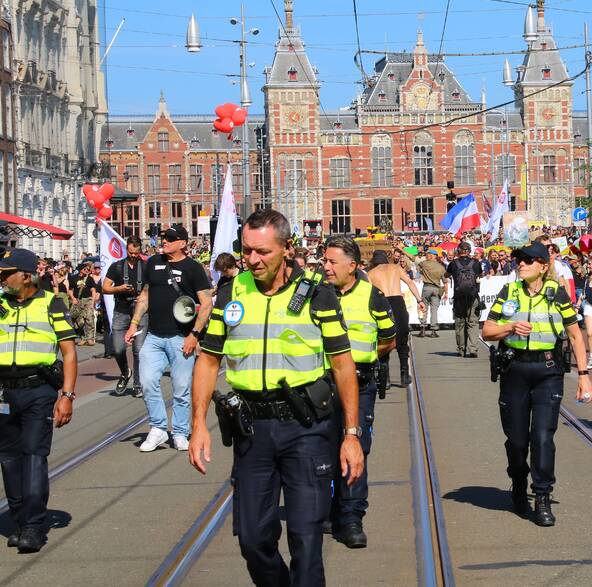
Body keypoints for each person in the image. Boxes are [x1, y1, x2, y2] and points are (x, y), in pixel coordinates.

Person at [188, 210, 364, 586]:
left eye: (262, 252)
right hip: (252, 430)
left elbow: (343, 365)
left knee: (306, 536)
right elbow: (207, 361)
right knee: (253, 538)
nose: (253, 261)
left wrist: (351, 435)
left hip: (307, 428)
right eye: (246, 251)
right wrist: (198, 424)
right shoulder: (231, 292)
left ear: (286, 249)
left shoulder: (318, 293)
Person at [0, 248, 78, 553]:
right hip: (3, 392)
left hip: (39, 391)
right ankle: (21, 520)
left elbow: (69, 351)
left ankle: (34, 527)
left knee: (33, 454)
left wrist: (67, 395)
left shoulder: (51, 303)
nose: (1, 277)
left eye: (7, 273)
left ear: (26, 275)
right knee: (8, 457)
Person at [481, 241, 590, 526]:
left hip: (548, 370)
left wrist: (584, 377)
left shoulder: (557, 294)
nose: (522, 264)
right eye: (519, 260)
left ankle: (541, 496)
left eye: (529, 260)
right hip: (515, 369)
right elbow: (487, 330)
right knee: (517, 441)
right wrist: (509, 327)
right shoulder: (509, 292)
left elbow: (576, 335)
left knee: (542, 437)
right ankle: (518, 481)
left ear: (543, 266)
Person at [322, 238, 397, 548]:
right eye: (323, 261)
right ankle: (327, 509)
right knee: (322, 448)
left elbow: (389, 339)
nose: (325, 267)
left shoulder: (373, 296)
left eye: (332, 262)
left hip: (360, 383)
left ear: (352, 266)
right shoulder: (315, 294)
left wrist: (359, 360)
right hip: (321, 385)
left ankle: (351, 517)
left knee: (356, 446)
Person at [124, 224, 213, 453]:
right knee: (147, 381)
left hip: (181, 337)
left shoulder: (193, 268)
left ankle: (181, 432)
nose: (165, 242)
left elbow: (206, 304)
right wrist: (133, 323)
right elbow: (145, 296)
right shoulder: (153, 263)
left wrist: (195, 335)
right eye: (164, 238)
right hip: (153, 335)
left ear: (183, 243)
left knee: (181, 388)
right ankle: (158, 427)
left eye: (171, 239)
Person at [367, 250, 424, 387]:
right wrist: (419, 300)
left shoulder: (371, 273)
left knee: (384, 338)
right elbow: (410, 282)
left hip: (382, 303)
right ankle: (404, 375)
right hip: (398, 302)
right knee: (402, 339)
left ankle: (385, 378)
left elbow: (368, 294)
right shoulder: (395, 268)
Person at [102, 237, 148, 397]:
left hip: (140, 311)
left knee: (138, 350)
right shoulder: (117, 267)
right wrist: (120, 288)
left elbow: (151, 287)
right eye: (131, 252)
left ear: (140, 250)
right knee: (118, 348)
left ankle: (138, 384)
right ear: (126, 250)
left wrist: (142, 296)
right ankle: (124, 372)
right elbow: (105, 288)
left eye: (137, 252)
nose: (134, 255)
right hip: (121, 310)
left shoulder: (146, 266)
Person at [445, 242, 483, 358]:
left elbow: (446, 275)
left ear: (458, 250)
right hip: (473, 296)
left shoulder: (454, 263)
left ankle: (461, 349)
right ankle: (473, 349)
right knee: (473, 323)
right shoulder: (476, 263)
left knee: (460, 323)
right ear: (469, 250)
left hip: (459, 297)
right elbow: (480, 275)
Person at [416, 248, 446, 338]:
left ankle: (423, 329)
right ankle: (433, 331)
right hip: (436, 289)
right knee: (434, 310)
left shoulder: (425, 263)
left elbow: (413, 258)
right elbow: (445, 281)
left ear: (432, 255)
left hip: (426, 287)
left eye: (428, 254)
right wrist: (446, 293)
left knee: (423, 308)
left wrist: (403, 251)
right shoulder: (441, 267)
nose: (426, 255)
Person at [70, 260, 99, 346]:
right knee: (79, 321)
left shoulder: (89, 279)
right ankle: (83, 338)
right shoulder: (73, 278)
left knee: (89, 319)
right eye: (85, 269)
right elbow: (70, 290)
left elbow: (93, 290)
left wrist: (93, 301)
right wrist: (73, 298)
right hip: (78, 301)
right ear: (80, 269)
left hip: (88, 300)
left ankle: (89, 338)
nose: (87, 270)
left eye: (88, 269)